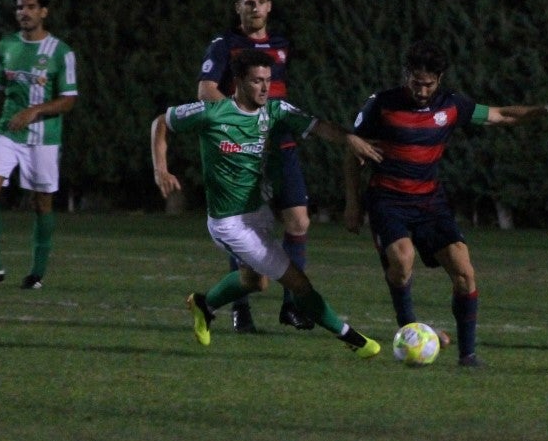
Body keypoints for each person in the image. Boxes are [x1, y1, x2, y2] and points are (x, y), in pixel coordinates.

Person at [343, 40, 548, 367]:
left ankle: (468, 356)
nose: (422, 90)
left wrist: (546, 109)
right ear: (405, 75)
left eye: (428, 84)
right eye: (415, 82)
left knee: (465, 272)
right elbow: (352, 152)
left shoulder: (452, 105)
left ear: (439, 80)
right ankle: (409, 330)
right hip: (388, 199)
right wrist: (353, 203)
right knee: (402, 261)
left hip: (430, 202)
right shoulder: (380, 105)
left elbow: (499, 115)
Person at [155, 49, 384, 358]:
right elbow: (161, 123)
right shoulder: (213, 112)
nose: (265, 88)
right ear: (237, 82)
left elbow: (317, 125)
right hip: (228, 223)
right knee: (298, 282)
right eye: (256, 81)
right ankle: (355, 340)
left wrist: (349, 139)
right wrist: (161, 169)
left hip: (257, 212)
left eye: (268, 80)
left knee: (254, 281)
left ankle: (203, 304)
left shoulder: (275, 111)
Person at [197, 0, 312, 333]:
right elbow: (206, 90)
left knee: (298, 221)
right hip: (244, 149)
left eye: (261, 2)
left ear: (270, 7)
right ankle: (240, 306)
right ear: (239, 8)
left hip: (281, 145)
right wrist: (241, 122)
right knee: (242, 223)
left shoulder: (282, 44)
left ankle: (292, 306)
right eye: (249, 3)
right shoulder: (224, 45)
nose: (255, 9)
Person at [0, 0, 78, 291]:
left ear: (43, 12)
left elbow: (69, 99)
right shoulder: (6, 46)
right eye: (20, 8)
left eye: (31, 7)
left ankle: (36, 273)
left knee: (41, 203)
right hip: (7, 131)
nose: (24, 13)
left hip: (44, 138)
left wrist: (36, 111)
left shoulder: (61, 52)